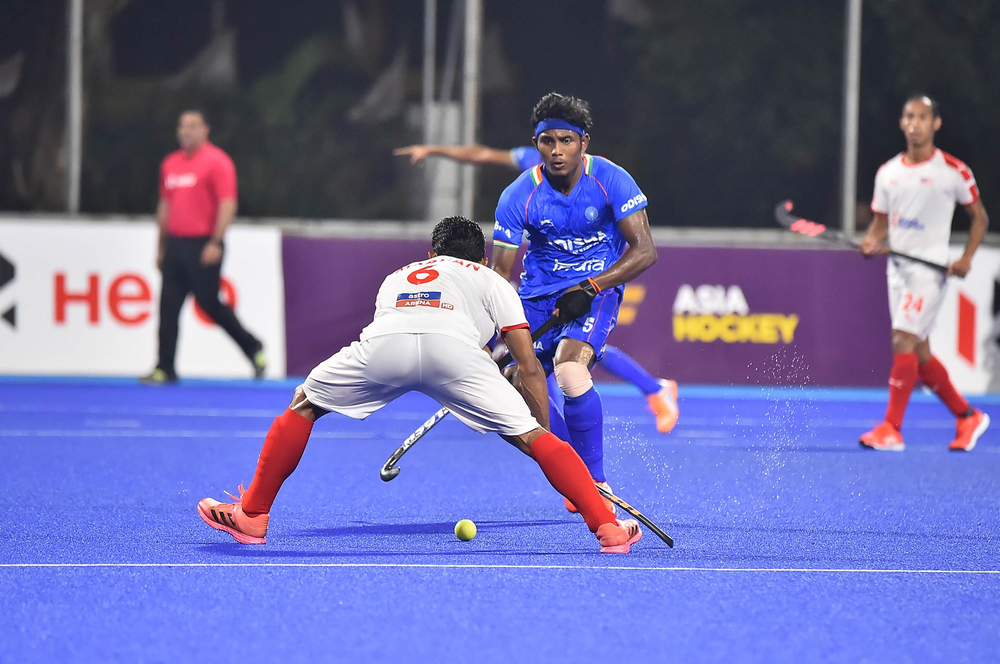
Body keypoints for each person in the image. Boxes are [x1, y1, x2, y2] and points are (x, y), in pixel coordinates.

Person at [197, 216, 643, 553]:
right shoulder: (491, 279)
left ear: (432, 255)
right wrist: (539, 431)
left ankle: (253, 514)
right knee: (531, 437)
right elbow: (527, 367)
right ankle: (607, 527)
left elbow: (409, 332)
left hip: (386, 347)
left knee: (304, 402)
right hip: (455, 354)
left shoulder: (399, 275)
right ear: (482, 259)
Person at [394, 142, 679, 433]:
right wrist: (433, 150)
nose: (556, 152)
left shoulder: (595, 178)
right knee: (540, 365)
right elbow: (485, 155)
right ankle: (580, 431)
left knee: (571, 359)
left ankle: (651, 391)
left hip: (584, 282)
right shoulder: (532, 167)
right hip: (542, 286)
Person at [490, 92, 658, 511]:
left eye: (566, 140)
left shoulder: (611, 180)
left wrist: (591, 287)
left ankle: (595, 481)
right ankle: (576, 471)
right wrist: (488, 337)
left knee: (569, 370)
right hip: (537, 298)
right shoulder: (518, 195)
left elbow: (644, 251)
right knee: (516, 384)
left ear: (584, 142)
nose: (557, 150)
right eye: (547, 141)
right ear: (536, 143)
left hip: (594, 292)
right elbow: (498, 276)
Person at [859, 95, 990, 452]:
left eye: (923, 117)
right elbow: (880, 224)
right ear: (901, 123)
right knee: (919, 353)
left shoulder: (953, 171)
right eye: (909, 117)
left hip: (929, 273)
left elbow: (979, 218)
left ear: (936, 124)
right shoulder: (888, 173)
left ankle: (891, 429)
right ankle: (967, 416)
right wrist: (871, 242)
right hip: (897, 270)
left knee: (902, 339)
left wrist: (966, 258)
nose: (915, 123)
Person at [141, 110, 266, 384]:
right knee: (168, 307)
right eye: (182, 126)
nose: (186, 131)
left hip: (203, 245)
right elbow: (165, 206)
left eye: (193, 126)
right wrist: (160, 246)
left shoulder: (217, 162)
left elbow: (227, 203)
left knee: (209, 304)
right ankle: (165, 368)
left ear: (205, 129)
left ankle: (253, 346)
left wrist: (216, 241)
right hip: (175, 244)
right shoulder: (171, 164)